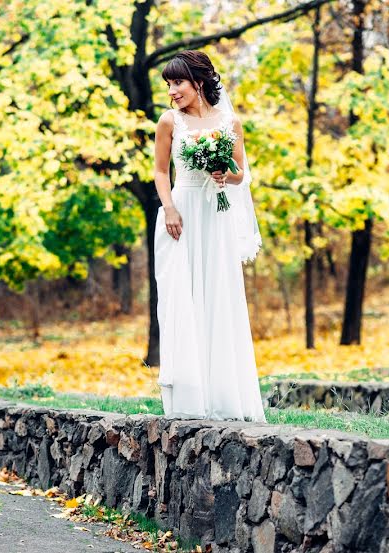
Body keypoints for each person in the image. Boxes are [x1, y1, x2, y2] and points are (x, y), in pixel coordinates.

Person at [153, 51, 265, 422]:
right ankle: (188, 395)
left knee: (217, 294)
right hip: (181, 214)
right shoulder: (169, 122)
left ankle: (223, 395)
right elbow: (160, 172)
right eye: (169, 84)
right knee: (182, 297)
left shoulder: (230, 121)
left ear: (198, 82)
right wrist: (169, 208)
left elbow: (240, 174)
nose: (172, 91)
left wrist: (223, 175)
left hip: (214, 216)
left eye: (178, 83)